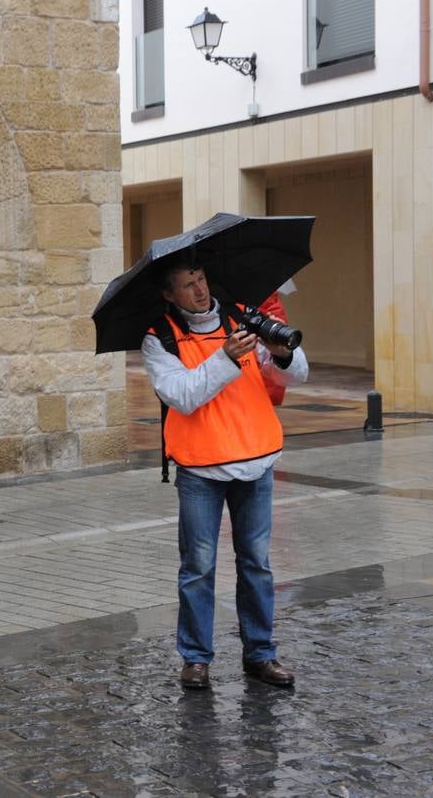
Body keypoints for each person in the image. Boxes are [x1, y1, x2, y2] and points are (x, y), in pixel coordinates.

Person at [142, 261, 309, 691]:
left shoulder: (242, 317)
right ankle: (195, 659)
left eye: (200, 280)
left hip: (255, 459)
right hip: (201, 468)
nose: (198, 290)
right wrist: (225, 357)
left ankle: (261, 654)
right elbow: (182, 395)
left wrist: (281, 353)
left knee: (257, 564)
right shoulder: (159, 338)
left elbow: (293, 375)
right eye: (186, 285)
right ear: (169, 294)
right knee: (198, 567)